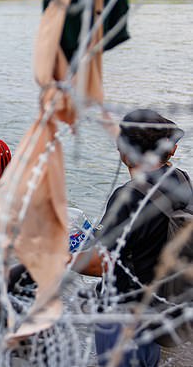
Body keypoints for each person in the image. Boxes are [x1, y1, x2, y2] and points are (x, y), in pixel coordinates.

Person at [75, 109, 192, 367]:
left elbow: (99, 264)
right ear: (170, 151)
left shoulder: (128, 195)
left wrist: (63, 259)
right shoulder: (180, 180)